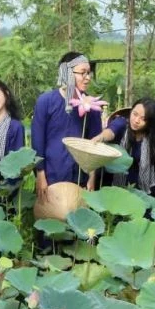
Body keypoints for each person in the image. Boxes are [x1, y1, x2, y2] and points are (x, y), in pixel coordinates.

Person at [32, 52, 102, 204]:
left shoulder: (91, 105)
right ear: (66, 73)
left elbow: (95, 144)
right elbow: (38, 141)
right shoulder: (45, 102)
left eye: (89, 73)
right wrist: (40, 175)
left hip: (79, 176)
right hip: (51, 174)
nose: (88, 77)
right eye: (83, 73)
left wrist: (92, 177)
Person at [93, 99, 155, 194]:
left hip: (136, 190)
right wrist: (101, 137)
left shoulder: (151, 139)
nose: (136, 120)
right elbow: (111, 131)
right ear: (131, 111)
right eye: (135, 114)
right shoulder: (121, 123)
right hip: (110, 188)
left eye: (143, 119)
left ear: (150, 122)